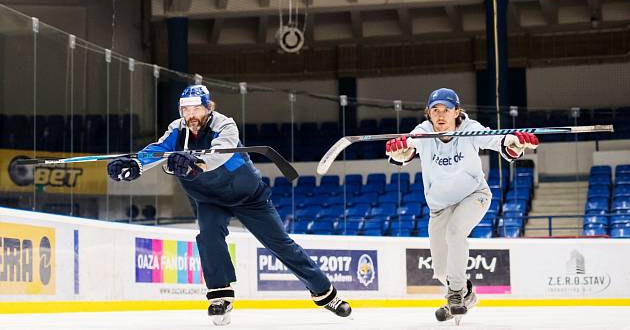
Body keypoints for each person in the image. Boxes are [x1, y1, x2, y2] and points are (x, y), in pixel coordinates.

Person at [106, 85, 351, 325]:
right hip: (209, 199)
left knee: (282, 245)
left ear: (208, 108)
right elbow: (159, 151)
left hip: (249, 198)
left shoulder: (224, 125)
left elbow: (220, 153)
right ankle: (220, 297)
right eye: (185, 110)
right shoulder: (177, 130)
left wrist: (195, 163)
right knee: (209, 236)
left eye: (196, 109)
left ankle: (325, 293)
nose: (191, 115)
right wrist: (135, 164)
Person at [385, 88, 538, 322]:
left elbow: (497, 140)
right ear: (428, 113)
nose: (441, 115)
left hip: (474, 195)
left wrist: (513, 141)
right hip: (440, 207)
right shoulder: (423, 133)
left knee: (456, 233)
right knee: (439, 269)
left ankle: (455, 293)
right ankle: (466, 294)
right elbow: (407, 151)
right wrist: (399, 150)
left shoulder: (470, 129)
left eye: (446, 109)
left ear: (457, 112)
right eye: (435, 110)